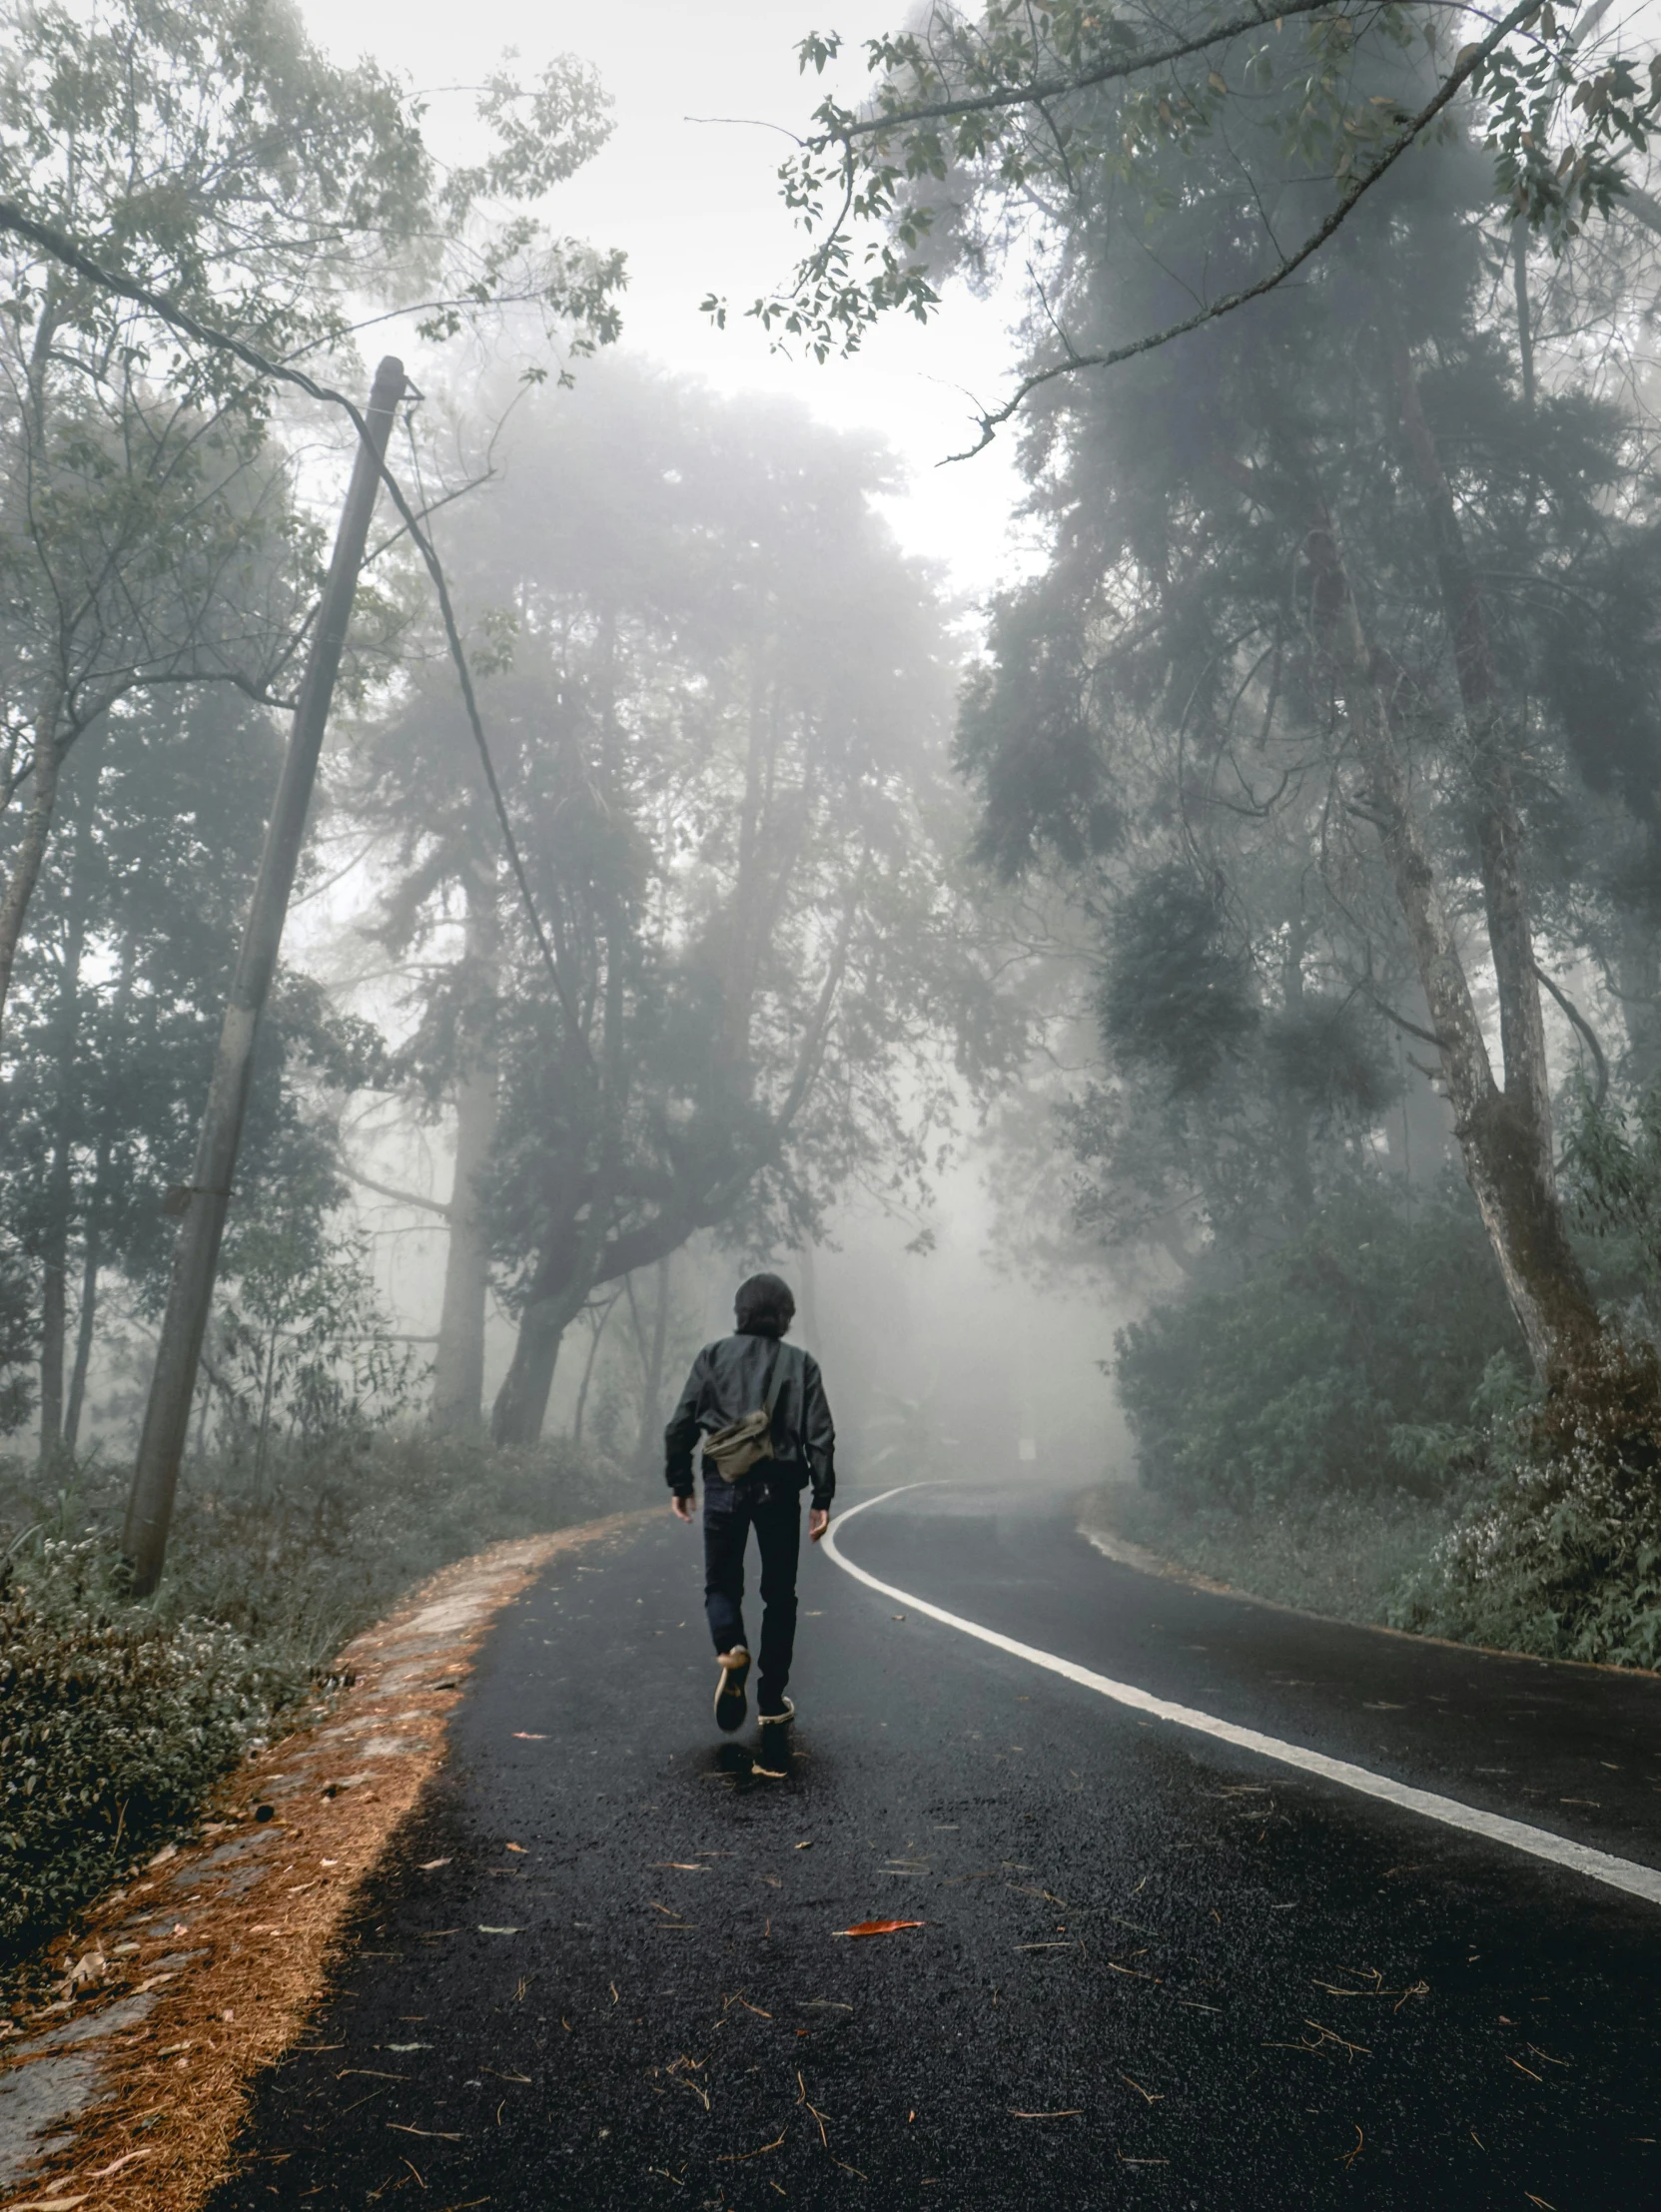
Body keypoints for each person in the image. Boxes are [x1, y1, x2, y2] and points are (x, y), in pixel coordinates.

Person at [665, 1271, 835, 1738]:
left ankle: (732, 1647)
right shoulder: (801, 1365)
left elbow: (679, 1425)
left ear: (740, 1312)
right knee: (779, 1596)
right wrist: (822, 1496)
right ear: (785, 1316)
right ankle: (771, 1700)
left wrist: (680, 1482)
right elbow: (820, 1437)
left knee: (722, 1584)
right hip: (780, 1488)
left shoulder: (712, 1356)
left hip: (723, 1483)